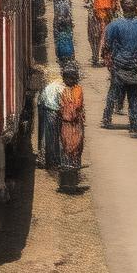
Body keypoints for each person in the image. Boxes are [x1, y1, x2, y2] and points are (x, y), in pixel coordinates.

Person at [101, 0, 137, 137]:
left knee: (113, 92)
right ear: (136, 8)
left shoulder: (114, 25)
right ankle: (135, 126)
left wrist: (107, 60)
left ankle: (106, 117)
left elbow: (107, 46)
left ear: (122, 9)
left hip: (119, 66)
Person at [83, 0, 119, 66]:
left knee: (101, 36)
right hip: (98, 14)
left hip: (105, 15)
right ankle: (98, 57)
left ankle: (101, 57)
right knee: (98, 36)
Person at [58, 63, 85, 191]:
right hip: (68, 125)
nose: (67, 80)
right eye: (66, 78)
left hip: (73, 124)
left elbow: (75, 107)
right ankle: (68, 180)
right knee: (67, 150)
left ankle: (73, 179)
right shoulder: (64, 90)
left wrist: (67, 109)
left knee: (75, 150)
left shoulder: (77, 90)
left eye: (69, 78)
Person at [36, 74, 64, 169]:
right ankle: (54, 161)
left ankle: (44, 159)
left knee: (44, 136)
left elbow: (40, 101)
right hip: (54, 111)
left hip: (44, 109)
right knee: (54, 138)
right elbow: (62, 103)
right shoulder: (61, 88)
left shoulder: (47, 87)